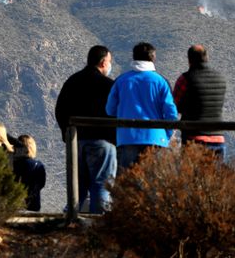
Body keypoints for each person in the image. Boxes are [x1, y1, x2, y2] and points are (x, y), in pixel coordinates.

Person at [55, 45, 117, 214]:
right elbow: (116, 113)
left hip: (76, 141)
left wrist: (67, 135)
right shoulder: (108, 85)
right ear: (104, 62)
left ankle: (69, 221)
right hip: (102, 142)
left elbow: (60, 109)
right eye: (110, 61)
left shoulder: (72, 81)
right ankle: (99, 227)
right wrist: (114, 138)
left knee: (77, 188)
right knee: (101, 186)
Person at [106, 42, 178, 170]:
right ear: (153, 58)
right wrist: (165, 135)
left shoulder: (121, 80)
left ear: (133, 57)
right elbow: (171, 113)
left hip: (127, 138)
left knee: (127, 185)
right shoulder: (161, 81)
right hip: (156, 138)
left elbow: (110, 110)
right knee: (153, 185)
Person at [172, 44, 227, 158]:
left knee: (193, 175)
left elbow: (175, 105)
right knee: (215, 175)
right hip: (218, 137)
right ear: (207, 58)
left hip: (194, 138)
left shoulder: (185, 79)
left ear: (189, 60)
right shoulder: (220, 78)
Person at [12, 135, 46, 211]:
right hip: (33, 205)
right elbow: (41, 184)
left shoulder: (11, 164)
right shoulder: (38, 165)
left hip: (13, 205)